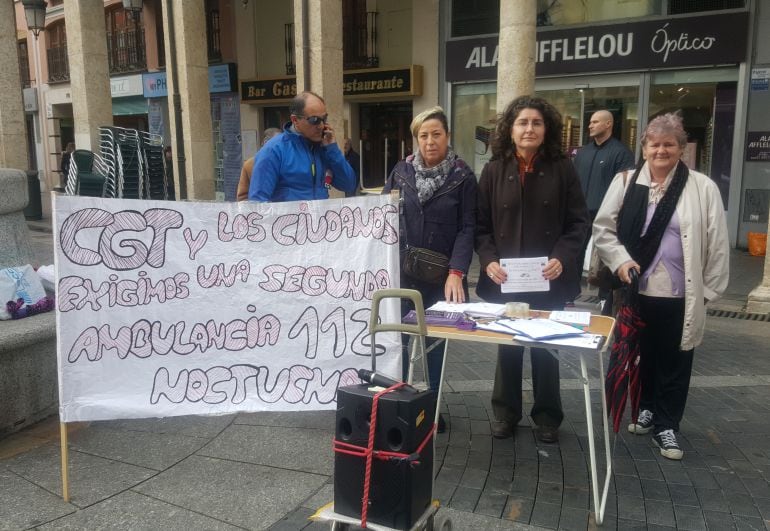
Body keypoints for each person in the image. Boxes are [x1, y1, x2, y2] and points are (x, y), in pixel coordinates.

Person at [593, 113, 729, 460]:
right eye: (654, 144)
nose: (661, 150)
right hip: (635, 289)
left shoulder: (702, 187)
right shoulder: (625, 182)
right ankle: (647, 407)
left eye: (669, 144)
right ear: (644, 147)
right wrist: (621, 261)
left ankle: (668, 425)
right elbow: (603, 229)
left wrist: (708, 292)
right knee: (644, 354)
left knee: (676, 358)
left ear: (681, 148)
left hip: (682, 292)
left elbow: (717, 243)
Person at [475, 96, 590, 443]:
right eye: (522, 122)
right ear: (510, 130)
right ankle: (505, 414)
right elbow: (480, 226)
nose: (529, 129)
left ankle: (547, 418)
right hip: (505, 279)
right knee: (507, 348)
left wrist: (563, 257)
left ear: (546, 129)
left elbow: (578, 222)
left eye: (536, 123)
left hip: (548, 278)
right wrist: (489, 260)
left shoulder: (562, 169)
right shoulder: (494, 170)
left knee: (546, 349)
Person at [382, 106, 477, 433]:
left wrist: (457, 271)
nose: (430, 141)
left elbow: (467, 228)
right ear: (416, 139)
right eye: (423, 135)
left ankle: (433, 408)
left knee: (435, 343)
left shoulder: (462, 176)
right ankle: (401, 403)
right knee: (401, 342)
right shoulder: (400, 172)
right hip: (403, 274)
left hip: (440, 278)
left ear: (447, 136)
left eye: (436, 134)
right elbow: (383, 217)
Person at [573, 110, 635, 314]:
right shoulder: (583, 153)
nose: (590, 125)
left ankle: (605, 299)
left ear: (608, 124)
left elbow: (626, 188)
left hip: (606, 216)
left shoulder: (621, 153)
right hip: (581, 214)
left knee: (605, 259)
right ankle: (570, 293)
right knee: (573, 254)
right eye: (589, 122)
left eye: (595, 122)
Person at [248, 92, 356, 202]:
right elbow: (258, 201)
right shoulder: (273, 150)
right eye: (314, 120)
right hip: (289, 218)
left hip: (318, 217)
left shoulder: (324, 149)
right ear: (295, 120)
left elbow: (348, 185)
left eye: (324, 119)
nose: (321, 126)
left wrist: (332, 149)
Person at [237, 128, 281, 201]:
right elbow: (242, 197)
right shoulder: (249, 164)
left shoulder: (288, 164)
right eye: (278, 143)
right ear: (266, 142)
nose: (282, 147)